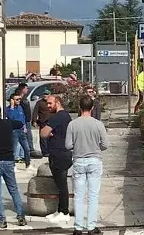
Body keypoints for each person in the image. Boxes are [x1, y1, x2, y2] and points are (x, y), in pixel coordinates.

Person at [66, 95, 109, 235]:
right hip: (94, 161)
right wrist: (96, 147)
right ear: (92, 108)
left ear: (79, 107)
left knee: (78, 196)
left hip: (78, 160)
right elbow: (105, 145)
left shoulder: (73, 124)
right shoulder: (98, 124)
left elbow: (68, 145)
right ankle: (91, 227)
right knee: (93, 195)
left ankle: (78, 227)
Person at [0, 104, 28, 228]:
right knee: (13, 189)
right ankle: (21, 216)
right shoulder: (8, 124)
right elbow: (19, 123)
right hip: (8, 160)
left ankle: (1, 219)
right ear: (0, 113)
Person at [40, 95, 73, 223]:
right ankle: (60, 210)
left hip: (59, 154)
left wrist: (48, 131)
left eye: (50, 103)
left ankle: (64, 212)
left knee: (62, 185)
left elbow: (43, 133)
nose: (48, 106)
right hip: (63, 152)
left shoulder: (58, 116)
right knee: (60, 185)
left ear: (57, 102)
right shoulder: (66, 116)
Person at [6, 92, 32, 170]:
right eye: (17, 99)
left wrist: (24, 126)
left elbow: (22, 118)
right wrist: (12, 106)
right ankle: (13, 166)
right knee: (13, 149)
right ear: (12, 100)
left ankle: (28, 164)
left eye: (19, 99)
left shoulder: (20, 108)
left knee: (27, 149)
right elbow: (11, 117)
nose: (19, 100)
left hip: (22, 131)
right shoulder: (8, 109)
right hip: (14, 131)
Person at [16, 83, 38, 159]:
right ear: (22, 89)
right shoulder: (19, 99)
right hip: (23, 121)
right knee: (26, 137)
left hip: (27, 120)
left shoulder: (25, 98)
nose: (27, 90)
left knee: (29, 136)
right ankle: (27, 152)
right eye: (26, 88)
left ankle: (29, 151)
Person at [31, 89, 52, 157]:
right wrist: (34, 121)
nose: (45, 95)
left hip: (51, 122)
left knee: (50, 137)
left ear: (50, 95)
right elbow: (35, 112)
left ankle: (50, 150)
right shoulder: (39, 103)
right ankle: (44, 152)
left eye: (47, 94)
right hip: (42, 122)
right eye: (44, 94)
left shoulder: (52, 102)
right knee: (43, 138)